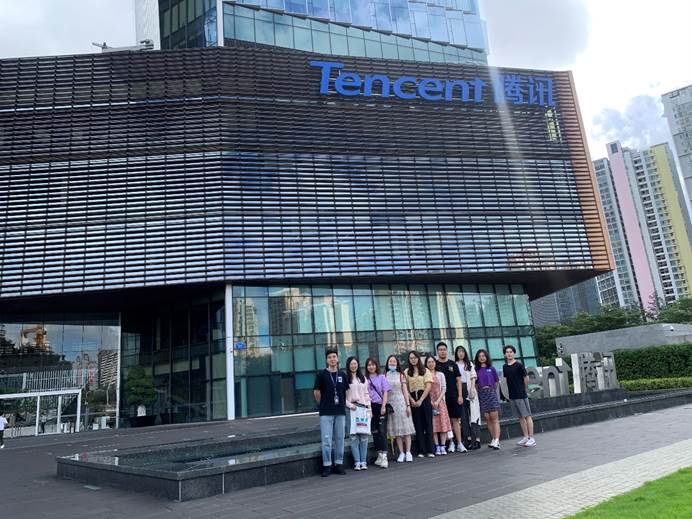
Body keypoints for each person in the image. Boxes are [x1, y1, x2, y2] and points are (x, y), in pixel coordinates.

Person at [313, 348, 349, 476]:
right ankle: (327, 465)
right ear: (326, 360)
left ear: (337, 359)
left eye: (334, 356)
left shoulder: (342, 375)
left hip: (340, 411)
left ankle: (339, 463)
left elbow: (346, 392)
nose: (332, 359)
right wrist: (322, 405)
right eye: (329, 357)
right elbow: (316, 392)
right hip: (326, 412)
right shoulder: (321, 375)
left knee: (340, 439)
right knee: (326, 440)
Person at [434, 341, 465, 453]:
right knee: (445, 421)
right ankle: (451, 442)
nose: (442, 351)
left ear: (447, 351)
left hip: (453, 396)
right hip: (440, 398)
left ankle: (459, 443)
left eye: (444, 349)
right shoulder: (435, 364)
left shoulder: (453, 364)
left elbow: (458, 380)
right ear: (437, 352)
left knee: (455, 419)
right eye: (440, 350)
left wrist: (460, 395)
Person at [384, 354, 416, 463]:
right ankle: (401, 452)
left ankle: (408, 452)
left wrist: (408, 405)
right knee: (396, 430)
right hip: (391, 405)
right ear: (387, 363)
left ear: (397, 363)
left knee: (406, 429)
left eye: (394, 361)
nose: (392, 363)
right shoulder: (385, 375)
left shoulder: (401, 375)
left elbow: (405, 391)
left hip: (401, 402)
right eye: (390, 361)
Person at [503, 345, 536, 447]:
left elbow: (526, 378)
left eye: (511, 352)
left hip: (521, 394)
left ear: (514, 353)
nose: (509, 354)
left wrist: (523, 389)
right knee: (520, 417)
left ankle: (532, 438)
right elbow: (507, 380)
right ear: (505, 354)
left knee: (527, 415)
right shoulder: (505, 367)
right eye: (507, 352)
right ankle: (526, 437)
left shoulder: (519, 365)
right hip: (512, 395)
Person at [405, 350, 435, 458]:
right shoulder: (407, 372)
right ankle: (421, 450)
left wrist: (421, 400)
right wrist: (411, 400)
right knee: (418, 425)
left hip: (424, 398)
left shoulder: (425, 370)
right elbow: (405, 388)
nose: (413, 360)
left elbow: (428, 386)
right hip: (413, 398)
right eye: (411, 358)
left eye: (415, 358)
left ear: (418, 358)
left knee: (428, 424)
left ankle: (430, 450)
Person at [345, 356, 371, 471]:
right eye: (351, 364)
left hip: (362, 409)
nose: (353, 366)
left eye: (355, 363)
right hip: (351, 409)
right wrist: (351, 405)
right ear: (348, 365)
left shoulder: (363, 378)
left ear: (358, 365)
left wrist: (369, 408)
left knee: (364, 436)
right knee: (353, 436)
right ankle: (357, 462)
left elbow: (366, 394)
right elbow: (342, 396)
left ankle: (364, 461)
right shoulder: (345, 379)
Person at [365, 357, 391, 468]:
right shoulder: (365, 379)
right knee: (374, 431)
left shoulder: (381, 377)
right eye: (369, 365)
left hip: (381, 406)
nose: (371, 367)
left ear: (376, 366)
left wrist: (383, 406)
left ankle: (385, 456)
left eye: (373, 364)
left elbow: (385, 392)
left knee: (382, 431)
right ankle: (379, 455)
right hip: (370, 407)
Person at [474, 348, 501, 450]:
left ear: (486, 357)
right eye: (480, 356)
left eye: (483, 356)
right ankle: (493, 439)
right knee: (487, 418)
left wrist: (491, 390)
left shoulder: (491, 368)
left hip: (491, 393)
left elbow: (496, 382)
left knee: (494, 418)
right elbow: (475, 384)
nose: (481, 358)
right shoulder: (476, 370)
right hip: (482, 395)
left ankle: (497, 440)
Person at [455, 346, 481, 450]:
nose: (461, 353)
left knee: (474, 415)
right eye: (459, 352)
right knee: (463, 416)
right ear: (456, 353)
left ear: (465, 353)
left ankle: (477, 440)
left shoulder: (469, 364)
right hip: (459, 390)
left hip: (470, 389)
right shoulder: (455, 365)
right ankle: (468, 439)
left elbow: (473, 376)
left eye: (462, 351)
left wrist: (472, 388)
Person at [426, 355, 452, 455]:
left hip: (440, 402)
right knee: (433, 426)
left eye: (432, 362)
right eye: (429, 362)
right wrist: (431, 402)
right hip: (429, 403)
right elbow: (424, 389)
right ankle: (437, 446)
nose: (431, 364)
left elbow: (444, 388)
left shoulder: (440, 374)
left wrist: (437, 401)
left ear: (435, 363)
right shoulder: (425, 375)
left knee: (443, 424)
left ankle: (443, 446)